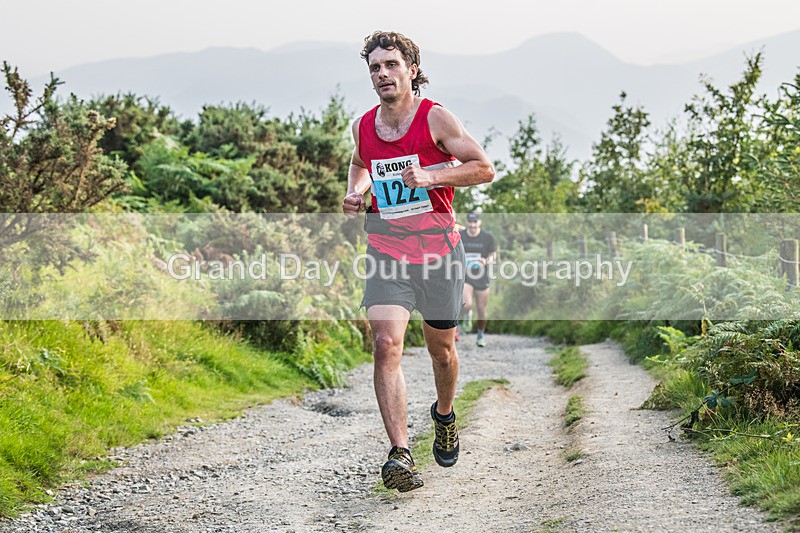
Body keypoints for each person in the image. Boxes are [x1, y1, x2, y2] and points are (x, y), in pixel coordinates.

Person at [341, 30, 495, 492]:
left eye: (391, 64)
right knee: (386, 343)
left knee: (441, 350)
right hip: (387, 250)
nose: (382, 73)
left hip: (439, 253)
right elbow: (360, 163)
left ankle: (444, 414)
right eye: (375, 67)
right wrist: (357, 192)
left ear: (411, 68)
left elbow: (483, 168)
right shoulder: (364, 126)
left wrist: (431, 175)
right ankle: (400, 454)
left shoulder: (436, 119)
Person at [459, 211, 497, 347]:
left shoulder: (487, 237)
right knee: (467, 304)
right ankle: (467, 314)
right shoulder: (461, 235)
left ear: (479, 222)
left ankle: (480, 335)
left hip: (481, 276)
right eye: (470, 222)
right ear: (467, 222)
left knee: (481, 309)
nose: (473, 225)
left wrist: (485, 261)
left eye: (475, 222)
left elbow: (493, 255)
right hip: (466, 275)